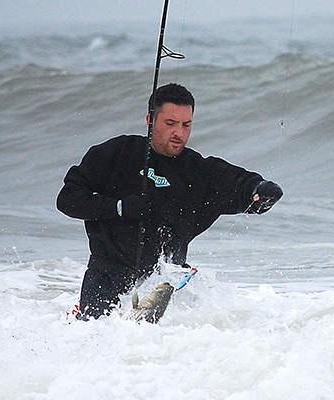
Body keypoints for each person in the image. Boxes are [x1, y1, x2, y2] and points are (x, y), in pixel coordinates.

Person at [56, 83, 283, 320]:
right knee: (96, 343)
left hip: (161, 284)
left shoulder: (196, 171)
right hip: (105, 277)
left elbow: (238, 185)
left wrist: (260, 189)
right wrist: (119, 208)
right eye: (170, 124)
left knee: (154, 352)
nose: (179, 133)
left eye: (186, 125)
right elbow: (68, 199)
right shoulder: (117, 153)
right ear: (150, 120)